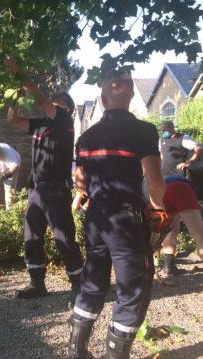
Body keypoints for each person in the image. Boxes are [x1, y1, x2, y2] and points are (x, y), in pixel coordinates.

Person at [69, 70, 166, 359]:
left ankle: (77, 352)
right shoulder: (144, 131)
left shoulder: (86, 137)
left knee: (92, 280)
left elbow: (80, 182)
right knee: (133, 288)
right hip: (125, 221)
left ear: (102, 98)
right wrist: (159, 208)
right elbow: (155, 179)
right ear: (133, 94)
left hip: (96, 218)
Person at [4, 56, 83, 306]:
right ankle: (37, 285)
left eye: (56, 103)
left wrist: (18, 74)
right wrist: (15, 93)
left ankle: (79, 287)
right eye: (53, 103)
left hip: (57, 190)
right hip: (36, 190)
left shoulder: (64, 121)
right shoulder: (40, 125)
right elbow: (12, 120)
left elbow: (39, 97)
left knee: (63, 239)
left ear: (67, 109)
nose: (51, 105)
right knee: (31, 236)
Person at [158, 176, 203, 278]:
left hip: (161, 192)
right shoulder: (189, 185)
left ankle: (168, 270)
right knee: (198, 233)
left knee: (170, 231)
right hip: (181, 189)